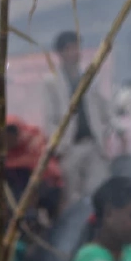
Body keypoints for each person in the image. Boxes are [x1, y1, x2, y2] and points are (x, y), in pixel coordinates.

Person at [43, 31, 112, 204]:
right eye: (70, 48)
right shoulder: (51, 82)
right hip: (69, 147)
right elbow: (49, 119)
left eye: (76, 47)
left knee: (98, 191)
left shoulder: (90, 77)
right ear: (60, 53)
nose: (75, 52)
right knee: (71, 196)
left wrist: (109, 132)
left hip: (93, 144)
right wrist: (59, 147)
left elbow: (104, 109)